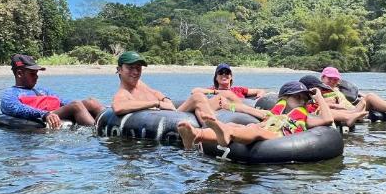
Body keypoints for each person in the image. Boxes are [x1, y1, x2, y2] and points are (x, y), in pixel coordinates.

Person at [112, 51, 270, 124]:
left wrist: (163, 98)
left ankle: (261, 116)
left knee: (222, 98)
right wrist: (156, 103)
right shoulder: (122, 93)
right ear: (119, 70)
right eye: (130, 68)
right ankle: (215, 129)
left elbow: (155, 92)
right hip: (169, 116)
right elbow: (118, 107)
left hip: (172, 111)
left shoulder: (139, 83)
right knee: (197, 97)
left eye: (138, 68)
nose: (135, 72)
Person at [176, 80, 333, 150]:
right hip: (264, 130)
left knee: (256, 130)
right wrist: (227, 106)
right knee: (235, 125)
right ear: (284, 99)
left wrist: (318, 96)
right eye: (297, 97)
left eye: (304, 98)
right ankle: (196, 134)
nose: (301, 100)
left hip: (280, 138)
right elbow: (246, 109)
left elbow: (328, 119)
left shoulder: (305, 118)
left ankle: (225, 134)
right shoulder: (271, 114)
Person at [0, 53, 104, 128]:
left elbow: (62, 101)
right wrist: (44, 114)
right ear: (19, 74)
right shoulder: (10, 94)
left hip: (56, 113)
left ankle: (113, 120)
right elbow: (14, 108)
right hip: (45, 115)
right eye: (32, 74)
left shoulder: (42, 91)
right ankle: (97, 131)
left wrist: (85, 106)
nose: (36, 77)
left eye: (36, 74)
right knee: (76, 105)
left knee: (91, 101)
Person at [320, 66, 386, 118]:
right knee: (370, 96)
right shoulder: (321, 90)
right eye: (330, 78)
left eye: (335, 79)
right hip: (350, 111)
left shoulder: (337, 88)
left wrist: (376, 100)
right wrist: (342, 107)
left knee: (384, 102)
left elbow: (356, 95)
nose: (333, 81)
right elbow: (326, 105)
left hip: (356, 106)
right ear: (323, 77)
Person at [299, 75, 367, 128]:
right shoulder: (304, 99)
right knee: (326, 111)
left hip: (316, 113)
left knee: (329, 110)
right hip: (313, 116)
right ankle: (348, 117)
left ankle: (352, 113)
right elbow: (310, 110)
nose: (320, 90)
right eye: (318, 89)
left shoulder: (314, 98)